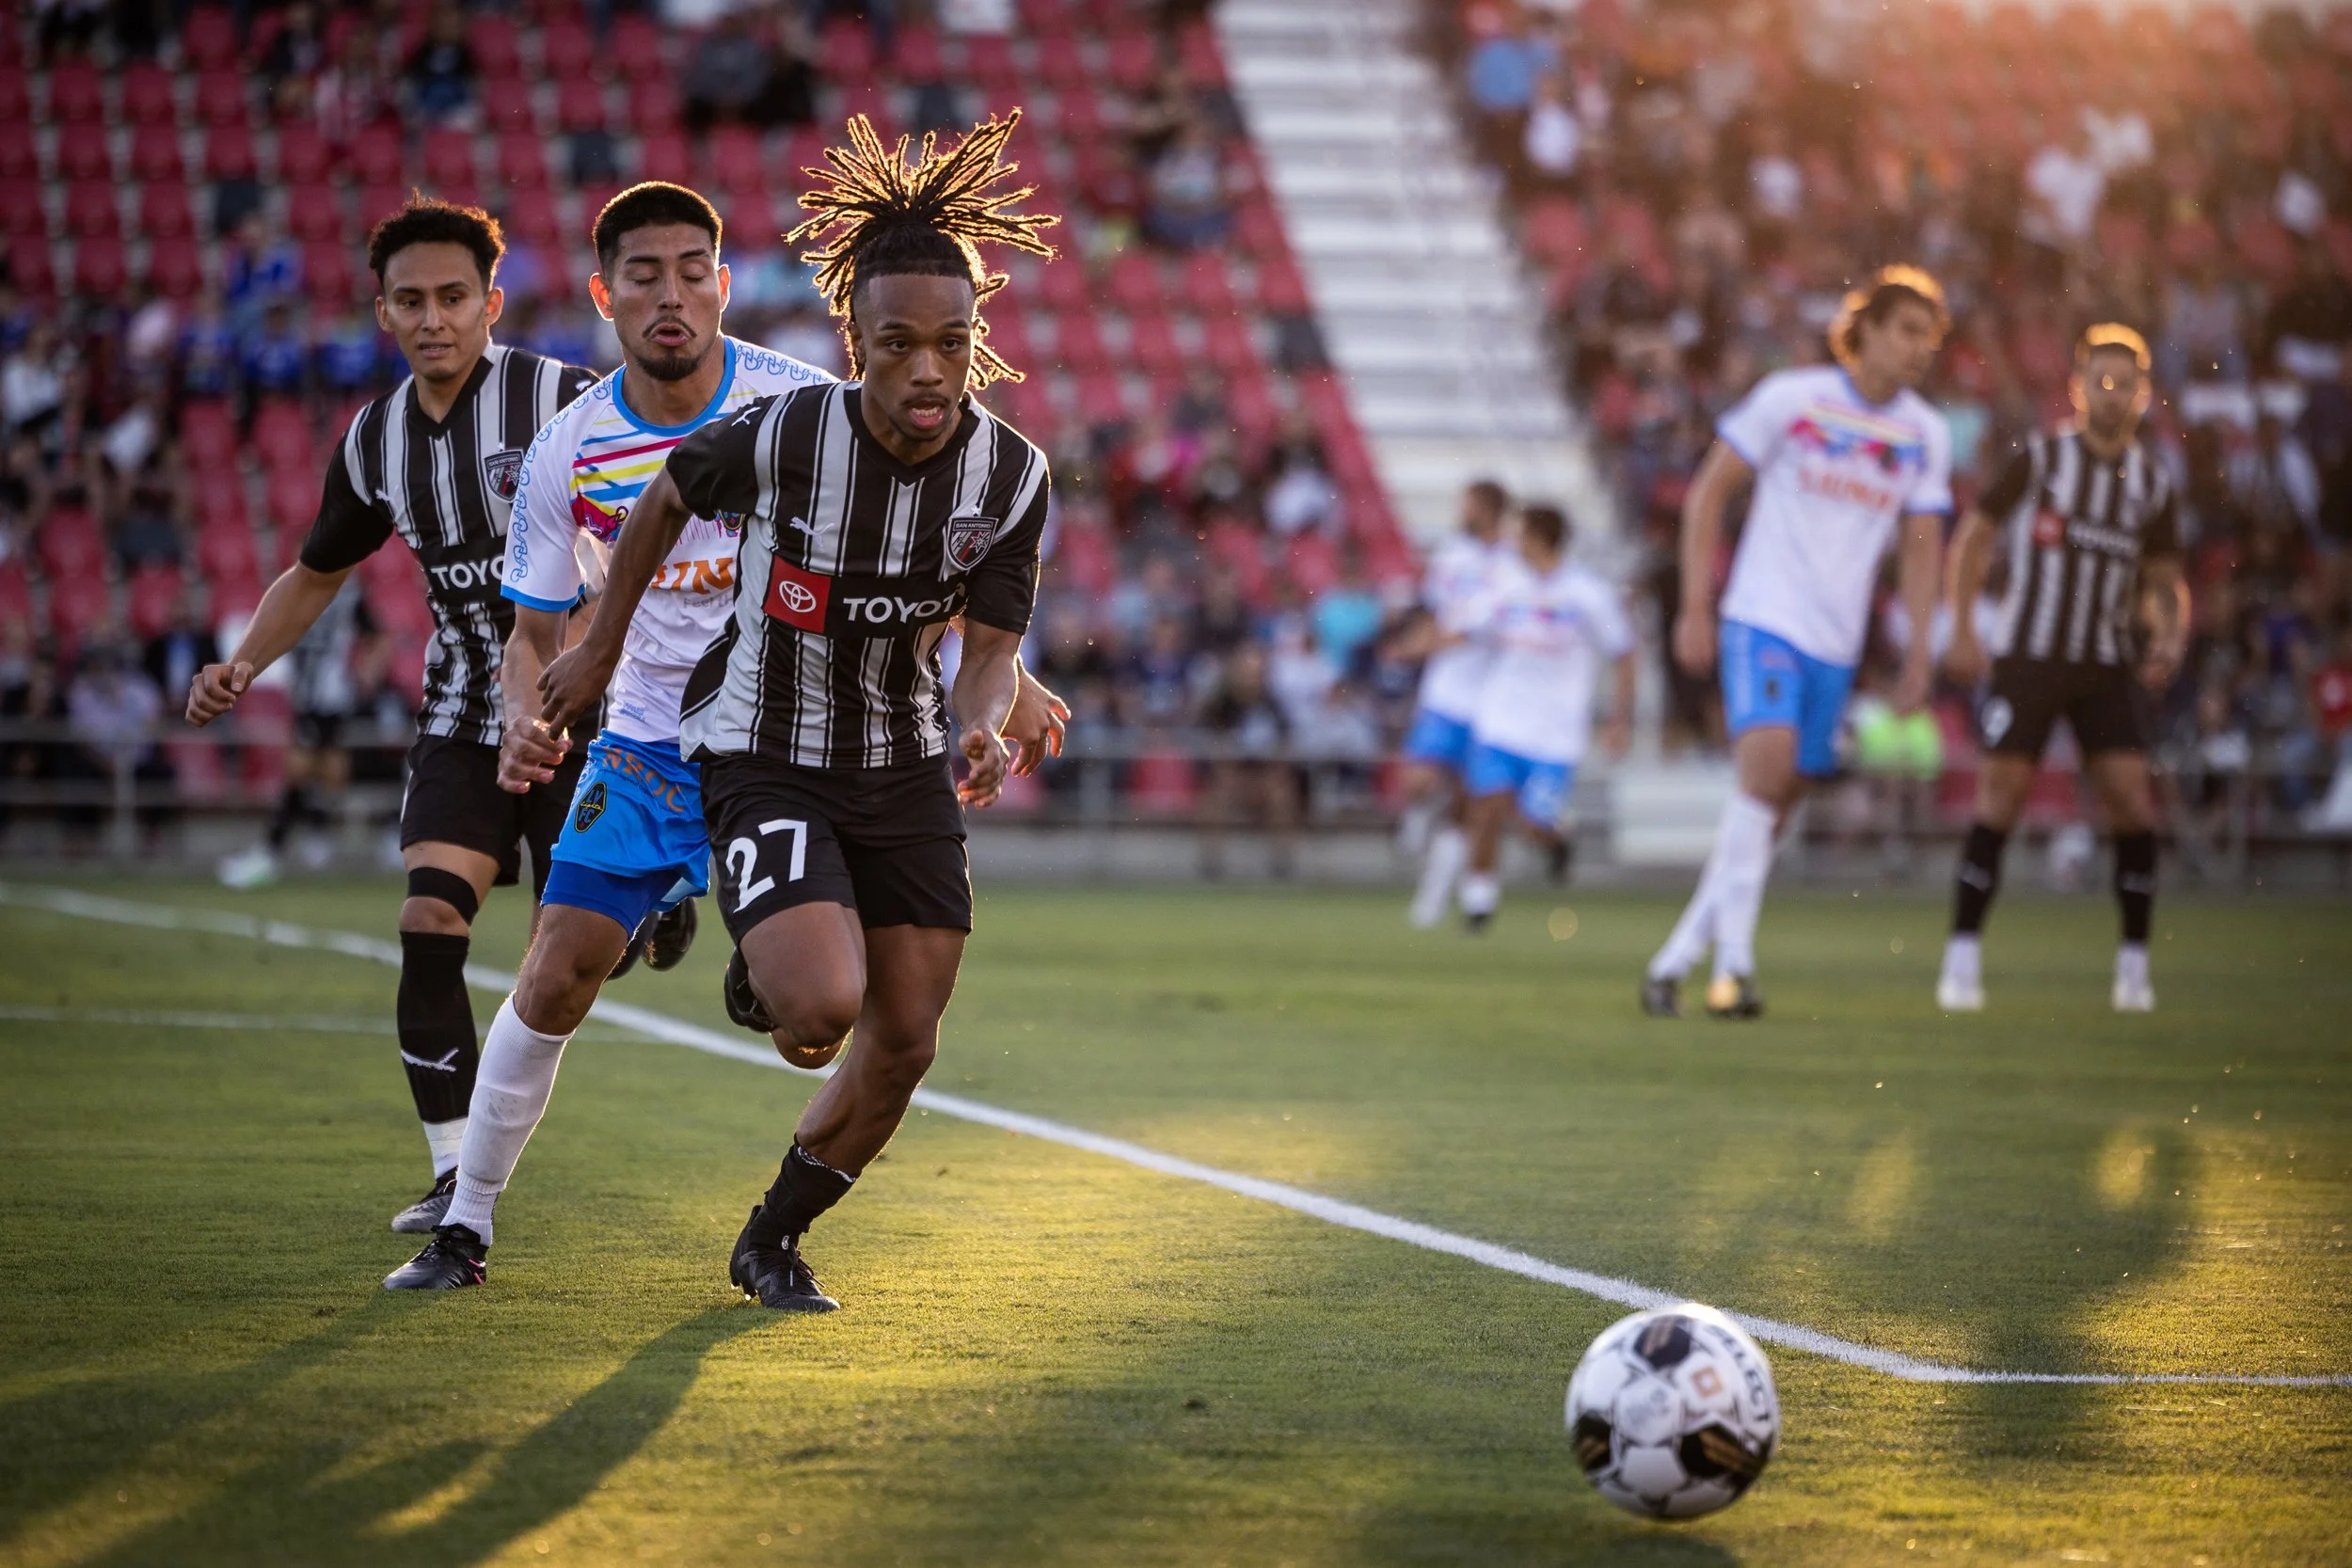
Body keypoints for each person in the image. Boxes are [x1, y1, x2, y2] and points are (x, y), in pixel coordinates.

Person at [384, 182, 1066, 1290]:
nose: (670, 294)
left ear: (723, 282)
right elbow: (536, 626)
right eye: (643, 274)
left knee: (854, 1032)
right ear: (606, 293)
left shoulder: (882, 426)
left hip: (860, 760)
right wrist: (564, 682)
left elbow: (949, 607)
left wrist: (998, 698)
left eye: (691, 268)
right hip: (684, 743)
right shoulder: (589, 445)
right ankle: (466, 1221)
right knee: (559, 975)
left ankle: (771, 1171)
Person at [185, 199, 599, 1234]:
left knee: (579, 946)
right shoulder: (374, 441)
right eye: (410, 300)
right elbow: (316, 571)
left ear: (491, 303)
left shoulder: (567, 403)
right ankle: (454, 1169)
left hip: (588, 701)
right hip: (464, 703)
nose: (433, 318)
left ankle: (657, 890)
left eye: (453, 297)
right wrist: (240, 663)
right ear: (383, 312)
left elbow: (650, 540)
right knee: (427, 923)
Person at [1642, 266, 1952, 1019]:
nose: (1920, 349)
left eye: (1932, 338)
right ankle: (1735, 971)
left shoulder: (1925, 434)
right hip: (1763, 614)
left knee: (1776, 804)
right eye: (1907, 330)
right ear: (1866, 328)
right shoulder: (1793, 399)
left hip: (1837, 643)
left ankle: (1675, 958)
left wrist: (1918, 651)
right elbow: (1709, 493)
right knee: (1766, 773)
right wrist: (1694, 606)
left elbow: (1919, 548)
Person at [1935, 325, 2186, 1013]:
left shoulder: (2154, 483)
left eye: (2125, 383)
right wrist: (1961, 625)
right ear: (2078, 389)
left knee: (2133, 803)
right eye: (2100, 382)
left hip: (2106, 660)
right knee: (2001, 795)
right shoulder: (2040, 460)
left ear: (2143, 393)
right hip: (2031, 654)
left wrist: (2168, 634)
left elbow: (2165, 582)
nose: (2112, 395)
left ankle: (2134, 965)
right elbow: (1975, 538)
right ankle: (1961, 957)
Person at [1456, 503, 1635, 928]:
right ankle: (1478, 902)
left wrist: (1619, 718)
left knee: (1533, 825)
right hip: (1501, 721)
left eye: (1519, 533)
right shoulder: (1505, 586)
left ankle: (1556, 841)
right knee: (1488, 807)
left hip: (1555, 733)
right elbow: (1466, 628)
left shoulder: (1587, 594)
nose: (1512, 542)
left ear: (1538, 537)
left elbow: (1624, 652)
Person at [217, 576, 377, 887]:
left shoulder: (346, 596)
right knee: (320, 771)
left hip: (328, 698)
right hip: (308, 697)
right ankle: (315, 842)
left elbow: (376, 636)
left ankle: (272, 852)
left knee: (305, 771)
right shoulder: (300, 589)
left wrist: (367, 671)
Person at [1396, 480, 1507, 927]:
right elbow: (1431, 610)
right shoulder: (1450, 556)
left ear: (1490, 509)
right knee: (1418, 779)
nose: (1462, 511)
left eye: (1469, 503)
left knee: (1467, 805)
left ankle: (1435, 895)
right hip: (1447, 687)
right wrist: (1419, 640)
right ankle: (1414, 825)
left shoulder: (1512, 562)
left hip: (1490, 695)